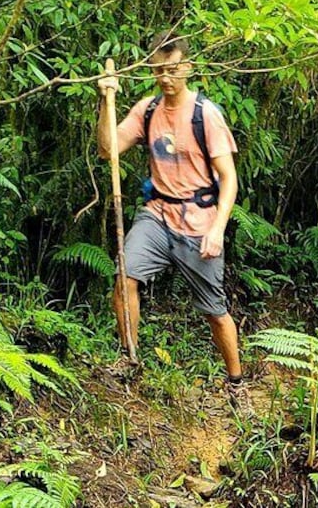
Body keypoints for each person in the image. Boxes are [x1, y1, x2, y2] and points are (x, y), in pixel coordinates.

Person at [97, 31, 250, 412]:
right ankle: (129, 356)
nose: (165, 78)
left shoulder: (205, 115)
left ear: (188, 68)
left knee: (214, 311)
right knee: (125, 276)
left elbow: (229, 179)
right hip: (157, 214)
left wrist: (217, 229)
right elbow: (107, 150)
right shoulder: (147, 110)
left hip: (198, 222)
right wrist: (105, 100)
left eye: (172, 69)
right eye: (158, 70)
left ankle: (236, 384)